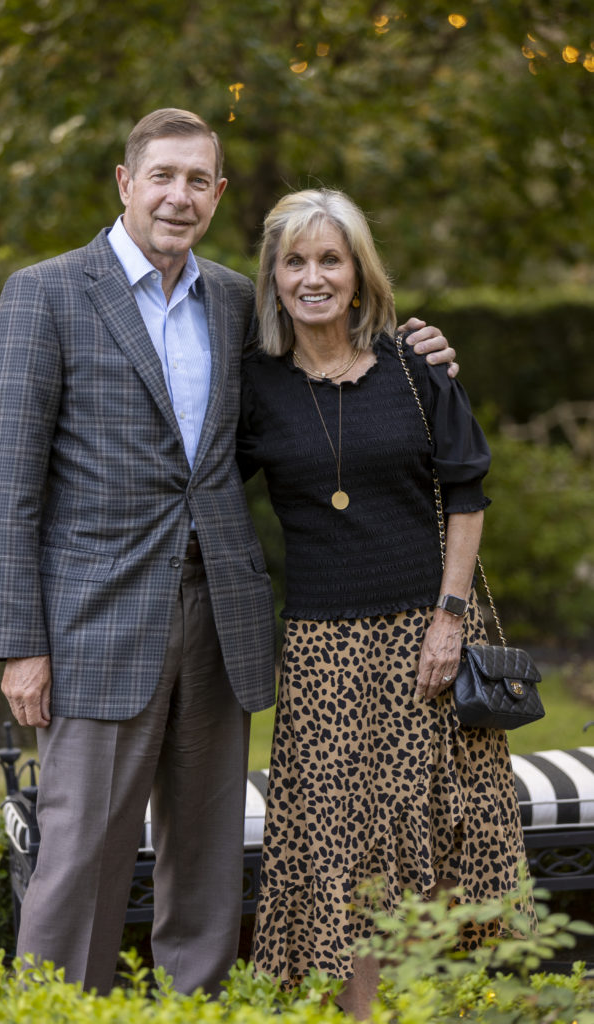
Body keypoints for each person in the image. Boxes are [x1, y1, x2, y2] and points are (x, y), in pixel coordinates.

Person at [0, 109, 457, 997]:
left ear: (219, 194)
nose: (179, 196)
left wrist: (414, 351)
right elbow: (5, 488)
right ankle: (52, 1012)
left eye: (197, 180)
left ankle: (192, 1010)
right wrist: (20, 642)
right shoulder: (46, 294)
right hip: (94, 624)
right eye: (162, 176)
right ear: (126, 183)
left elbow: (329, 361)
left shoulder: (237, 302)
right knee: (80, 850)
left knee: (204, 852)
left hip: (220, 614)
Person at [237, 189, 532, 1018]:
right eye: (294, 262)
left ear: (359, 274)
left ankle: (448, 1001)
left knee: (438, 827)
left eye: (330, 259)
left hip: (424, 632)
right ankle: (360, 1013)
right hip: (321, 647)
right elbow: (201, 482)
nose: (313, 277)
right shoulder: (253, 384)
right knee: (341, 846)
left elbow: (465, 493)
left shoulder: (413, 367)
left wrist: (448, 617)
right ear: (273, 278)